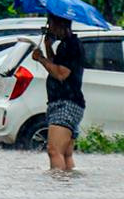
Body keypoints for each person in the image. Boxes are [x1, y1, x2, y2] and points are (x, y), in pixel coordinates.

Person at [30, 13, 85, 170]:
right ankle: (66, 187)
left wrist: (41, 59)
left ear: (60, 24)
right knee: (65, 154)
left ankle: (57, 188)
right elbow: (57, 64)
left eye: (50, 23)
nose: (49, 27)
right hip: (68, 102)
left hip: (66, 103)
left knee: (54, 151)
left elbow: (61, 73)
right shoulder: (66, 45)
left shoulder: (71, 45)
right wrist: (48, 47)